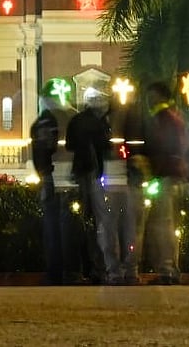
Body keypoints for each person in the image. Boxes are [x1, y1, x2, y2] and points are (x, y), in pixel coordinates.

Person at [142, 81, 189, 285]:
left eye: (151, 95)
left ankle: (168, 270)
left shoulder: (164, 119)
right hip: (172, 175)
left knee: (164, 224)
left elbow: (163, 147)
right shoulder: (174, 117)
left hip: (166, 176)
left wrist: (154, 169)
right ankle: (170, 268)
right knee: (166, 224)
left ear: (160, 96)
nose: (148, 100)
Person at [99, 95, 146, 285]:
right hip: (122, 183)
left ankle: (118, 270)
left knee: (117, 229)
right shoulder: (132, 122)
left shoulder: (105, 124)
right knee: (128, 229)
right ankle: (126, 270)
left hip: (115, 183)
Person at [64, 96, 109, 284]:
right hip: (95, 174)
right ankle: (98, 269)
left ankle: (80, 269)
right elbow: (105, 146)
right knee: (98, 222)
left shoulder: (76, 121)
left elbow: (69, 145)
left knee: (81, 220)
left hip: (80, 171)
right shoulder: (99, 123)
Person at [30, 82, 70, 284]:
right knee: (57, 226)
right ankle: (59, 272)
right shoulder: (53, 121)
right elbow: (51, 147)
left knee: (52, 227)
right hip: (54, 176)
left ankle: (54, 273)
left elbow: (44, 149)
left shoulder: (43, 122)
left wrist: (43, 173)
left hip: (49, 176)